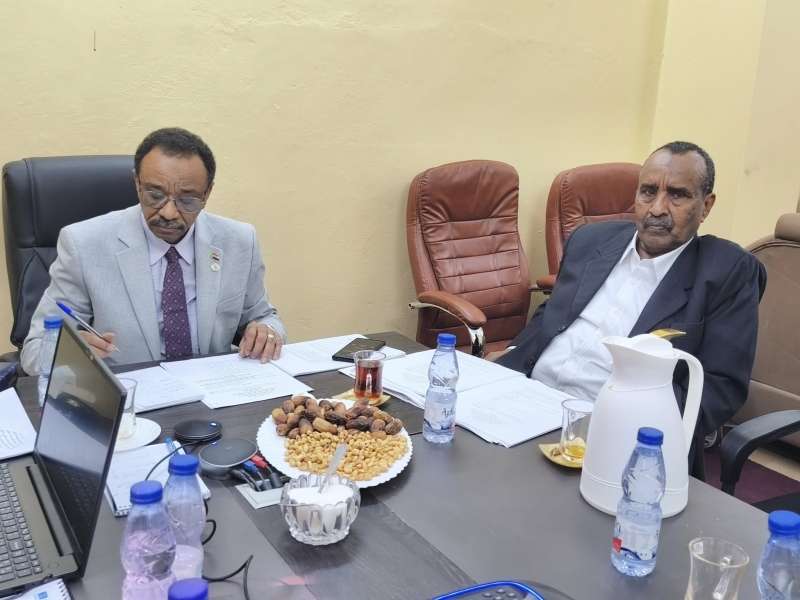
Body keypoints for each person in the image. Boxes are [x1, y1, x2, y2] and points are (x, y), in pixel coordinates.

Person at [497, 141, 765, 470]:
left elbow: (721, 388)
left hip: (615, 438)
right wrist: (507, 362)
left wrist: (628, 432)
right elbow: (551, 317)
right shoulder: (591, 240)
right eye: (648, 192)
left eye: (677, 195)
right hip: (526, 404)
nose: (657, 209)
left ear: (706, 206)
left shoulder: (726, 272)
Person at [21, 127, 286, 374]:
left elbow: (264, 317)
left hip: (212, 390)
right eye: (155, 195)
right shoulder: (83, 244)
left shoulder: (239, 241)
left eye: (187, 200)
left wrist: (266, 332)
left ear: (207, 194)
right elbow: (34, 350)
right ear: (137, 184)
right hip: (131, 394)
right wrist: (69, 354)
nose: (169, 213)